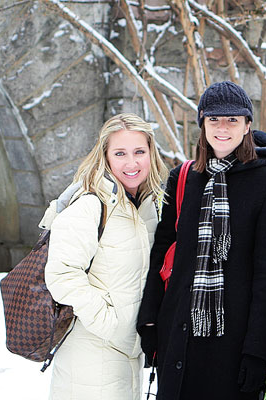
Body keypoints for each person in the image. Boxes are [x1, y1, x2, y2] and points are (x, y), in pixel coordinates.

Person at [137, 81, 266, 400]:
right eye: (214, 120)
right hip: (178, 333)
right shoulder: (182, 178)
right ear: (202, 124)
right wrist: (150, 319)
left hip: (233, 341)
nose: (223, 128)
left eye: (232, 120)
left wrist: (258, 350)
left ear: (248, 124)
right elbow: (162, 251)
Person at [43, 113, 169, 400]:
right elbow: (61, 274)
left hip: (128, 354)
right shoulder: (90, 204)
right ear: (105, 156)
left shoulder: (150, 204)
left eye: (139, 152)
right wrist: (110, 324)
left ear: (151, 153)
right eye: (120, 153)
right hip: (91, 353)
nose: (131, 163)